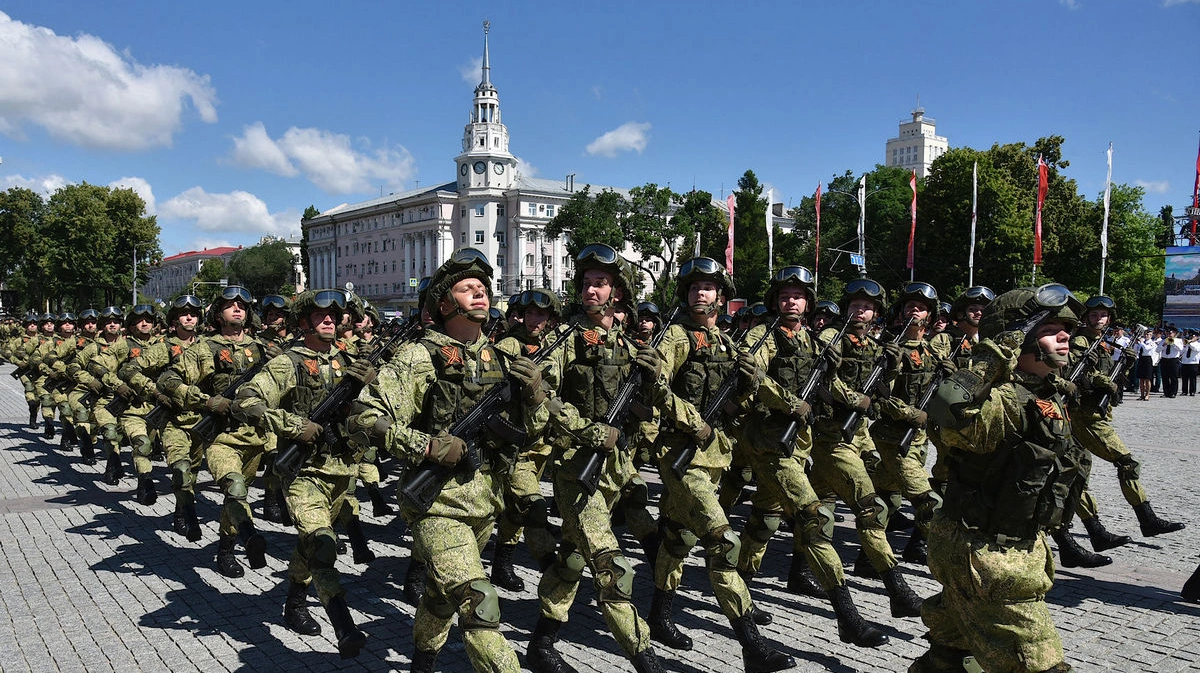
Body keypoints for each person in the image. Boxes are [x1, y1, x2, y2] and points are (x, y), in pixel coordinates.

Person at [349, 248, 545, 672]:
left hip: (484, 503)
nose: (480, 293)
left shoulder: (502, 359)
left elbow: (537, 429)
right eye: (467, 288)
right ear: (444, 302)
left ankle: (421, 662)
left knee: (440, 598)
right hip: (437, 504)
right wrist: (427, 446)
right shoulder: (419, 356)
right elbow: (365, 416)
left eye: (484, 288)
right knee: (480, 601)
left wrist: (535, 398)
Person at [913, 284, 1087, 673]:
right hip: (987, 559)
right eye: (1051, 328)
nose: (1065, 335)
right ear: (1016, 337)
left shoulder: (1044, 393)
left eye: (1067, 328)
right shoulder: (1001, 401)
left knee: (950, 657)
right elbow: (948, 409)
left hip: (1008, 552)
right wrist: (992, 356)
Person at [650, 256, 795, 673]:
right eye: (695, 286)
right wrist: (693, 422)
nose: (701, 292)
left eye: (710, 287)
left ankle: (659, 615)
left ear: (722, 296)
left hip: (715, 457)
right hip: (680, 455)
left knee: (677, 538)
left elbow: (749, 397)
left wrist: (754, 390)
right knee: (722, 541)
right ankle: (751, 644)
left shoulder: (730, 343)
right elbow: (656, 388)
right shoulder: (674, 337)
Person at [526, 246, 666, 673]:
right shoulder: (566, 338)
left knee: (571, 558)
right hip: (576, 468)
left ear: (618, 292)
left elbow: (651, 405)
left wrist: (653, 377)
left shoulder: (629, 344)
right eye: (586, 282)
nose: (590, 289)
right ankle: (645, 657)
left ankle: (541, 643)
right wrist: (589, 431)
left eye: (600, 283)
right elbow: (543, 396)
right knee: (610, 564)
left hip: (616, 471)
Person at [736, 265, 888, 648]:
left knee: (764, 523)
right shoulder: (764, 334)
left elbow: (827, 382)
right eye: (785, 295)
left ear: (808, 302)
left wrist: (853, 398)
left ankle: (739, 589)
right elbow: (755, 375)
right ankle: (847, 615)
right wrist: (791, 403)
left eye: (799, 296)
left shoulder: (813, 340)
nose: (791, 301)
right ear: (775, 300)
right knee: (814, 517)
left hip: (797, 443)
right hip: (769, 440)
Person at [233, 289, 377, 658]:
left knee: (309, 543)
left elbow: (376, 410)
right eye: (319, 314)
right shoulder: (288, 362)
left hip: (342, 472)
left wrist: (371, 387)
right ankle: (343, 624)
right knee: (323, 544)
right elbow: (247, 399)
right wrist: (293, 424)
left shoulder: (350, 361)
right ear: (303, 322)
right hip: (304, 473)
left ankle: (295, 600)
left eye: (333, 314)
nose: (329, 319)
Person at [808, 278, 925, 619]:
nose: (861, 312)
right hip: (830, 436)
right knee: (868, 508)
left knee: (812, 508)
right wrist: (856, 398)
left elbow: (883, 391)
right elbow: (824, 380)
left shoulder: (875, 344)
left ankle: (798, 570)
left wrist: (892, 366)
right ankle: (896, 587)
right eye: (856, 306)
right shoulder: (832, 337)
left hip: (861, 435)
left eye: (868, 307)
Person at [162, 286, 276, 578]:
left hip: (255, 437)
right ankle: (248, 538)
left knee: (235, 498)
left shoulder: (262, 348)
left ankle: (225, 547)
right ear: (218, 313)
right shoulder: (205, 348)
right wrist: (207, 401)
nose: (237, 308)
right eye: (229, 305)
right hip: (221, 437)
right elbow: (169, 379)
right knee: (235, 489)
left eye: (241, 304)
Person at [1063, 295, 1183, 559]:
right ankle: (1145, 518)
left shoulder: (1104, 343)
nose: (1099, 318)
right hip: (1085, 416)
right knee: (1126, 463)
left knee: (1076, 476)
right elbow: (1075, 370)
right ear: (1086, 317)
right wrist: (1100, 379)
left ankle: (1096, 531)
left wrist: (1125, 364)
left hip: (1097, 414)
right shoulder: (1081, 341)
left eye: (1103, 315)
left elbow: (1114, 381)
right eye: (1094, 314)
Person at [867, 282, 951, 566]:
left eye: (923, 307)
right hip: (893, 438)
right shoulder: (891, 348)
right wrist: (909, 414)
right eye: (910, 306)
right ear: (900, 312)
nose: (916, 310)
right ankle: (943, 560)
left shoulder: (932, 352)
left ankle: (867, 558)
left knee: (887, 501)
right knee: (930, 503)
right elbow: (881, 394)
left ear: (930, 315)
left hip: (918, 440)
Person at [1159, 327, 1184, 398]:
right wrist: (1164, 345)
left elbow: (1180, 349)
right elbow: (1157, 350)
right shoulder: (1163, 340)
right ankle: (1166, 392)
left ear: (1174, 333)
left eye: (1170, 333)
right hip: (1164, 359)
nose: (1169, 334)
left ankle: (1173, 392)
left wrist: (1172, 343)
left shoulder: (1178, 340)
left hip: (1173, 360)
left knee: (1173, 377)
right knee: (1165, 377)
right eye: (1167, 333)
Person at [1182, 330, 1199, 396]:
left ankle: (1192, 391)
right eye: (1190, 336)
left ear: (1196, 337)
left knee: (1192, 378)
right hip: (1185, 362)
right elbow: (1182, 351)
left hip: (1193, 363)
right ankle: (1184, 391)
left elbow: (1196, 349)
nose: (1191, 337)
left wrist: (1189, 343)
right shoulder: (1187, 344)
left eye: (1192, 336)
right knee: (1184, 378)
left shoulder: (1198, 344)